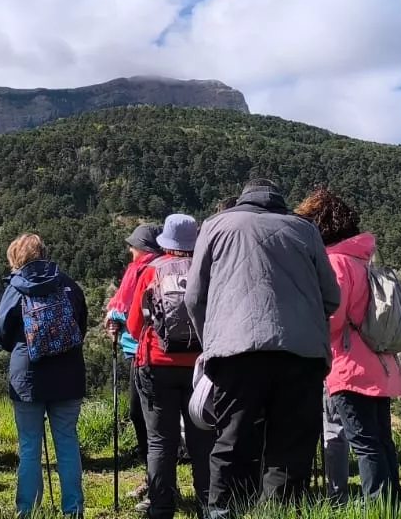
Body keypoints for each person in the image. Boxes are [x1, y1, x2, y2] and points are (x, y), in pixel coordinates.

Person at [186, 179, 340, 518]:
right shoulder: (305, 230)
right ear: (279, 201)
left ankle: (225, 512)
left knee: (232, 442)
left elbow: (194, 298)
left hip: (236, 352)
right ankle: (279, 512)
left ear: (243, 198)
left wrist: (211, 342)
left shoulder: (215, 226)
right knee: (291, 448)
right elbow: (332, 297)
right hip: (302, 356)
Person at [294, 188, 401, 505]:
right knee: (381, 440)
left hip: (350, 366)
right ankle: (391, 502)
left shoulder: (337, 264)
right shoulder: (361, 260)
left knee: (364, 440)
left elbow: (333, 317)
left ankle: (377, 505)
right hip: (379, 363)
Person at [124, 215, 214, 519]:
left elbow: (135, 326)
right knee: (203, 440)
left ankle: (162, 508)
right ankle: (208, 506)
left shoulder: (152, 271)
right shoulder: (208, 269)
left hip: (156, 364)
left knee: (161, 441)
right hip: (200, 368)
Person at [0, 233, 87, 518]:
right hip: (68, 374)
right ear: (44, 254)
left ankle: (28, 511)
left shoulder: (16, 288)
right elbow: (80, 326)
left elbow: (0, 333)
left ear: (15, 259)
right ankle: (73, 510)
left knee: (30, 445)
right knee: (67, 443)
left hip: (28, 377)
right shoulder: (67, 284)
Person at [105, 224, 161, 507]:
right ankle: (155, 480)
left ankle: (157, 485)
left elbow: (130, 312)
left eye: (134, 244)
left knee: (145, 420)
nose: (130, 249)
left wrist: (115, 319)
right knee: (148, 420)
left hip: (146, 354)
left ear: (144, 247)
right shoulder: (153, 268)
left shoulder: (143, 270)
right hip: (153, 354)